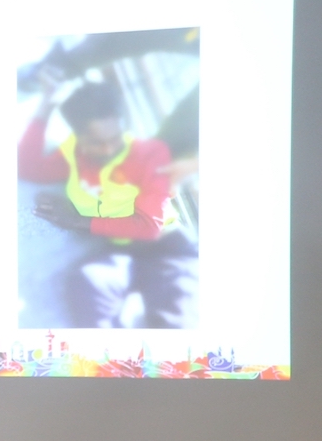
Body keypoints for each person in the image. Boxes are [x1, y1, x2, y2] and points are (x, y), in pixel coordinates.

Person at [18, 79, 198, 328]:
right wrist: (46, 106)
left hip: (166, 250)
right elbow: (29, 167)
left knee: (173, 320)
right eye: (97, 142)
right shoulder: (75, 153)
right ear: (79, 137)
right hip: (119, 253)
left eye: (115, 138)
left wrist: (78, 221)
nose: (109, 149)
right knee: (88, 285)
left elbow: (148, 226)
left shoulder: (149, 154)